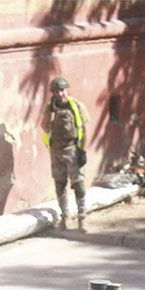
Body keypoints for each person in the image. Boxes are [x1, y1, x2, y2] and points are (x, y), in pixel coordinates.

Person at [41, 77, 88, 231]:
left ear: (67, 89)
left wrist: (82, 150)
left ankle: (82, 217)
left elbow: (84, 128)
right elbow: (44, 127)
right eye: (56, 91)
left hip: (72, 150)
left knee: (78, 184)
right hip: (56, 151)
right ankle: (65, 216)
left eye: (62, 90)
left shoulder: (76, 106)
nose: (60, 93)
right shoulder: (50, 108)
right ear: (52, 93)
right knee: (60, 184)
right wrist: (50, 113)